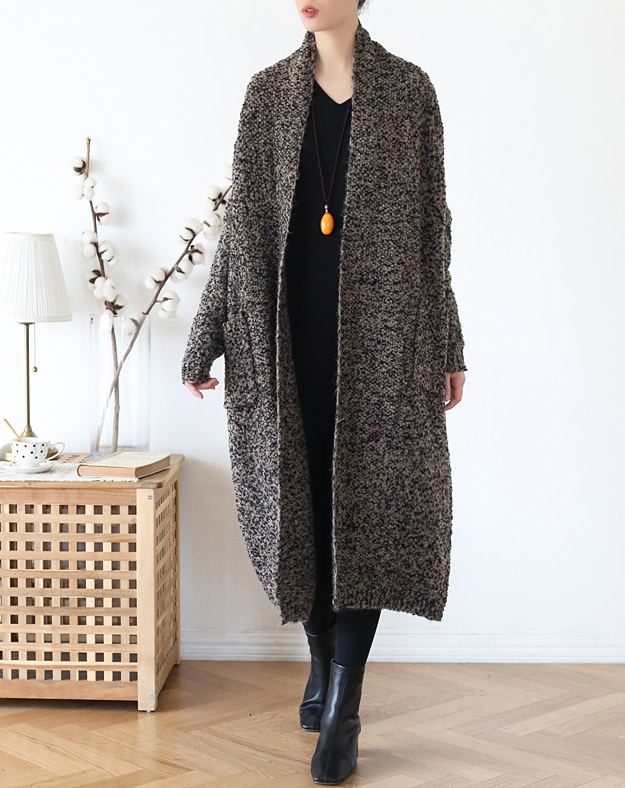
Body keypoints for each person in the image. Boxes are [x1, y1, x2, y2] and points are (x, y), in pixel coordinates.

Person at [183, 2, 467, 783]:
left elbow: (433, 228)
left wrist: (447, 342)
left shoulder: (409, 91)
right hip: (284, 339)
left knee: (366, 517)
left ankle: (344, 703)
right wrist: (206, 335)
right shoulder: (267, 92)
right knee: (300, 513)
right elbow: (241, 224)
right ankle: (319, 659)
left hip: (383, 345)